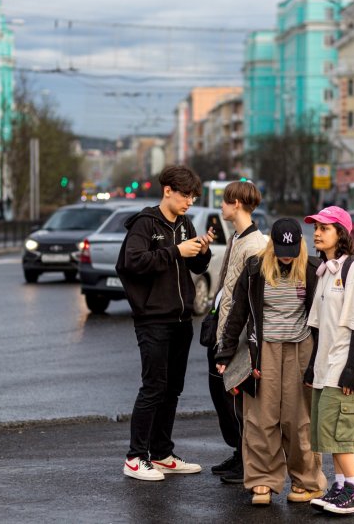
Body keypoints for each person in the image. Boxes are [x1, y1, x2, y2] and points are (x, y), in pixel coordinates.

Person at [215, 218, 327, 506]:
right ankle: (262, 481)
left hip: (301, 349)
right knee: (260, 418)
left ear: (300, 245)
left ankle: (307, 481)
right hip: (263, 350)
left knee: (299, 419)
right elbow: (237, 312)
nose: (286, 254)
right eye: (280, 249)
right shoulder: (255, 268)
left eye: (291, 248)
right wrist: (225, 352)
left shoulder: (314, 269)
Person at [116, 165, 214, 481]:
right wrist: (174, 251)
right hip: (153, 319)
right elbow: (132, 263)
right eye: (185, 195)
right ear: (167, 190)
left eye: (193, 196)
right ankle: (135, 457)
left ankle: (161, 454)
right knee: (153, 387)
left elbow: (194, 266)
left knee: (172, 389)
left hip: (182, 319)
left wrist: (202, 251)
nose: (189, 202)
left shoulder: (184, 224)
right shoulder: (145, 224)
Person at [303, 206, 354, 515]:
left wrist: (352, 370)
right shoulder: (326, 270)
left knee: (340, 433)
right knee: (326, 433)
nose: (317, 232)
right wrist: (311, 367)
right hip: (326, 367)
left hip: (347, 368)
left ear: (341, 234)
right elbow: (320, 327)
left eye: (325, 227)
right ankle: (339, 486)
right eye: (316, 227)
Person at [208, 180, 266, 484]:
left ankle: (247, 462)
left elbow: (252, 301)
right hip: (225, 333)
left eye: (225, 201)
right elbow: (228, 289)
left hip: (241, 340)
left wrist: (235, 342)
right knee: (225, 398)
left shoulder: (256, 245)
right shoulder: (238, 237)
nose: (222, 206)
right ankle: (239, 454)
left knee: (238, 401)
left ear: (238, 204)